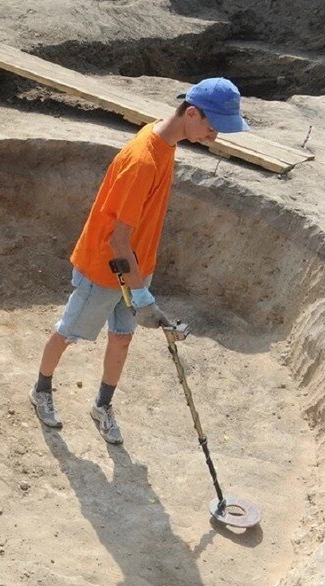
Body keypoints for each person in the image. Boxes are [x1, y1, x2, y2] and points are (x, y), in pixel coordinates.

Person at [29, 77, 250, 444]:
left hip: (136, 268)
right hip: (105, 267)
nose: (215, 137)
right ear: (191, 113)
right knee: (69, 332)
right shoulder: (142, 160)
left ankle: (102, 406)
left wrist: (141, 285)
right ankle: (41, 390)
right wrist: (142, 297)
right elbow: (117, 240)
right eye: (213, 128)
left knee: (122, 339)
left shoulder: (166, 142)